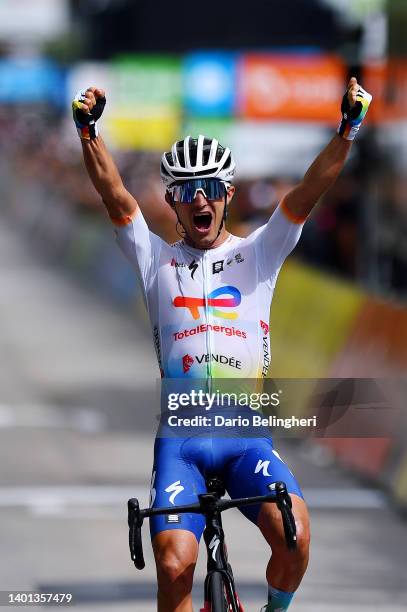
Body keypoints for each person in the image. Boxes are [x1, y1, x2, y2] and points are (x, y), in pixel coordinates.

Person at [72, 77, 372, 612]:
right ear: (173, 202)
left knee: (295, 534)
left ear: (229, 193)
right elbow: (113, 194)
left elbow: (309, 191)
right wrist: (88, 131)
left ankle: (275, 608)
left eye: (210, 186)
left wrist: (347, 130)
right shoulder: (153, 258)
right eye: (187, 191)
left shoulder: (260, 252)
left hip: (246, 439)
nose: (200, 199)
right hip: (182, 443)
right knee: (172, 565)